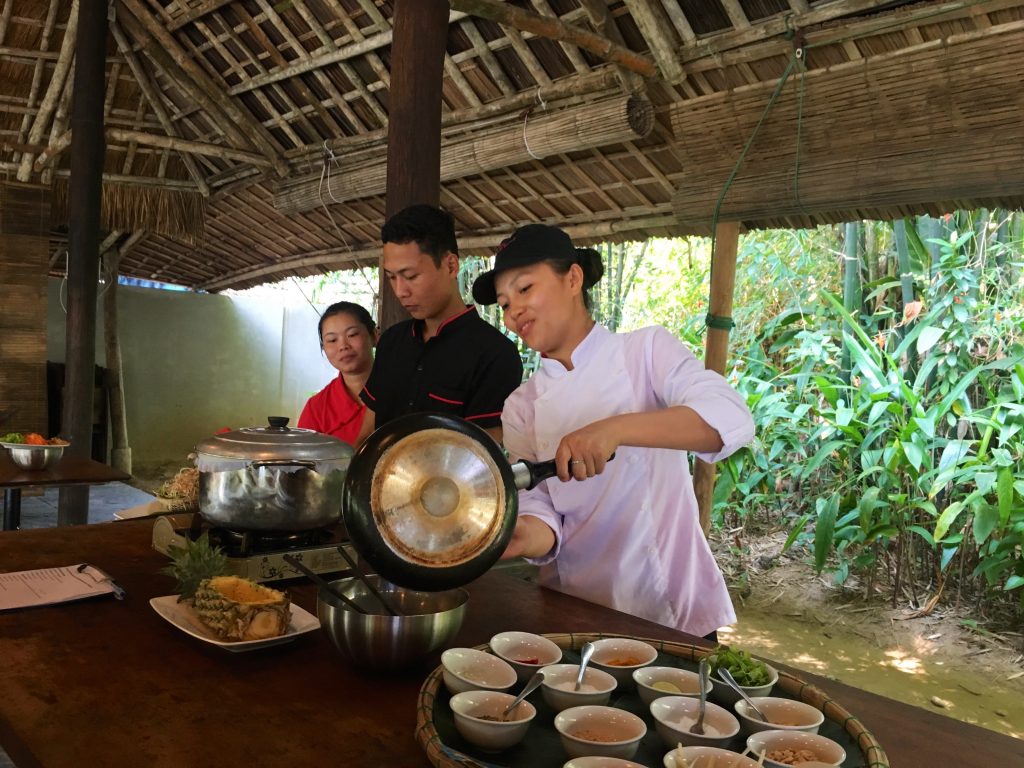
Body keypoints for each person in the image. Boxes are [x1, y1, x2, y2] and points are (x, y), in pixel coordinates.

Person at [471, 223, 755, 639]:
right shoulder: (522, 405)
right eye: (503, 302)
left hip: (670, 613)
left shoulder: (645, 352)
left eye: (525, 289)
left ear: (572, 278)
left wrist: (615, 429)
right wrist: (518, 535)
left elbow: (729, 417)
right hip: (576, 616)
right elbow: (543, 512)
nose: (513, 311)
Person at [358, 204, 523, 444]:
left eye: (411, 276)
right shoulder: (392, 342)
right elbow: (367, 434)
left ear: (451, 265)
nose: (400, 291)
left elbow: (479, 457)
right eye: (392, 277)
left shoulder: (495, 355)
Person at [297, 301, 377, 446]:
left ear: (374, 335)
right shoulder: (316, 408)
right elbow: (304, 464)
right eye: (332, 340)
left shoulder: (405, 389)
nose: (343, 346)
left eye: (352, 334)